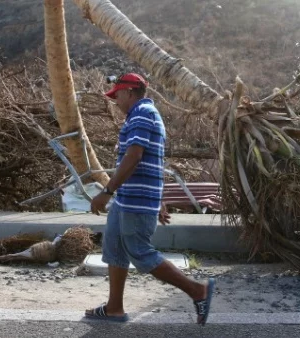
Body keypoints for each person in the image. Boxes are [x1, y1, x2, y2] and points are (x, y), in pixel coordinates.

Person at [84, 73, 215, 325]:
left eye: (117, 96)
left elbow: (134, 156)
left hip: (134, 200)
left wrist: (107, 191)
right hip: (129, 198)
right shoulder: (140, 115)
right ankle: (114, 308)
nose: (115, 101)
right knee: (114, 247)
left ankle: (198, 290)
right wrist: (160, 199)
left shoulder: (143, 114)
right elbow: (153, 162)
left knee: (140, 252)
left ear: (130, 93)